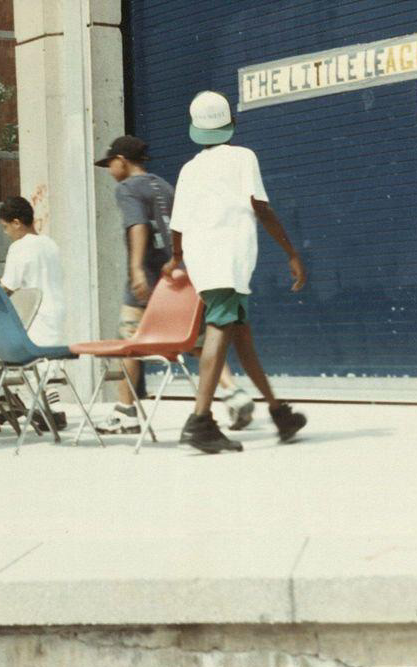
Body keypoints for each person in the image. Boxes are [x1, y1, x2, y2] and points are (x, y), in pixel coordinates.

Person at [162, 90, 307, 453]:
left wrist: (177, 257)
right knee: (219, 328)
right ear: (231, 124)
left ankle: (278, 411)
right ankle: (199, 421)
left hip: (204, 262)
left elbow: (177, 225)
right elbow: (261, 206)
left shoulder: (189, 169)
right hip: (229, 260)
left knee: (241, 339)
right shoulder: (243, 157)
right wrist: (291, 251)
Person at [94, 135, 255, 434]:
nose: (108, 170)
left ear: (122, 161)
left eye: (110, 164)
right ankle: (233, 392)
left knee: (129, 343)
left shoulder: (127, 188)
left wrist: (136, 268)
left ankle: (126, 412)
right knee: (196, 342)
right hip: (178, 280)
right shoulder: (165, 186)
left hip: (147, 281)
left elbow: (138, 226)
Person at [0, 195, 68, 429]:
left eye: (6, 227)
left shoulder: (19, 247)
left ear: (17, 222)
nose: (6, 233)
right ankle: (49, 410)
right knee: (47, 362)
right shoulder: (50, 243)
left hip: (35, 311)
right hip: (56, 307)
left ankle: (51, 411)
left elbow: (8, 285)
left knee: (34, 363)